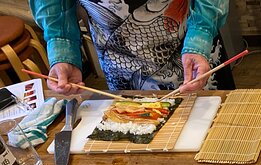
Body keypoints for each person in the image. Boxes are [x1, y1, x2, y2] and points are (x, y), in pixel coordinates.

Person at [30, 0, 232, 94]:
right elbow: (53, 6)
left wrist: (200, 40)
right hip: (119, 59)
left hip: (193, 50)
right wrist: (63, 50)